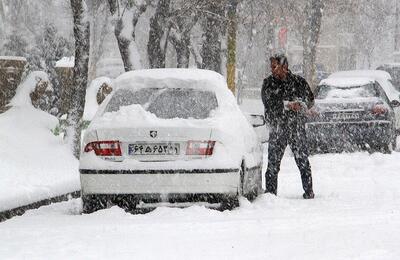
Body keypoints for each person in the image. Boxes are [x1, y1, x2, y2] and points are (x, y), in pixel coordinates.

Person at [261, 54, 315, 199]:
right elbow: (268, 103)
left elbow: (310, 100)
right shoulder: (268, 83)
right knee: (273, 163)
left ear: (284, 66)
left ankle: (308, 191)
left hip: (296, 126)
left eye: (275, 66)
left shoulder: (299, 82)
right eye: (271, 66)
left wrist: (301, 104)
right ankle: (271, 194)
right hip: (277, 127)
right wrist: (286, 105)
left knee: (302, 160)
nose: (272, 69)